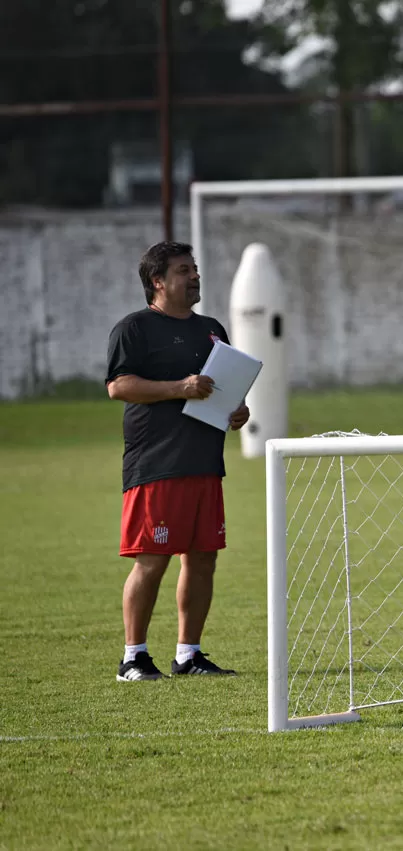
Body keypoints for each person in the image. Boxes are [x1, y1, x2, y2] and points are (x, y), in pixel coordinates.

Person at [106, 241, 250, 681]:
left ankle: (188, 655)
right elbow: (119, 386)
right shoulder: (135, 328)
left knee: (203, 557)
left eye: (196, 269)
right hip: (158, 463)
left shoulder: (212, 329)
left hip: (205, 461)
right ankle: (133, 657)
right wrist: (179, 387)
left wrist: (238, 411)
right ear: (158, 281)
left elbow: (223, 387)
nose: (195, 277)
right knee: (152, 559)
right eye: (184, 270)